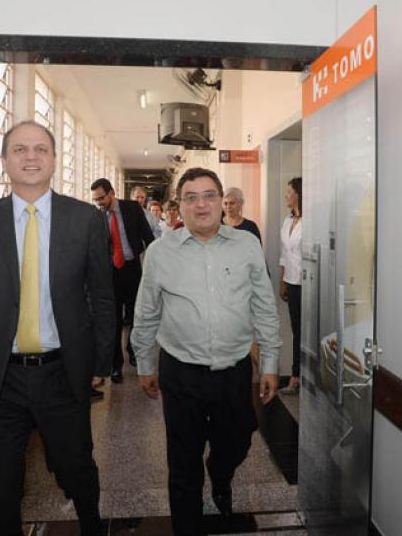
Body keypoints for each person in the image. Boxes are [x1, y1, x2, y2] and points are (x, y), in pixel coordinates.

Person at [0, 121, 115, 536]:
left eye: (41, 149)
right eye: (19, 149)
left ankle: (92, 526)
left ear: (55, 160)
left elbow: (103, 296)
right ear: (4, 161)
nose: (31, 156)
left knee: (78, 469)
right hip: (0, 383)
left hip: (63, 375)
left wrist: (101, 358)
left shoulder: (85, 220)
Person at [131, 167, 282, 536]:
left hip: (233, 372)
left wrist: (271, 362)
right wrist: (145, 365)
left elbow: (264, 305)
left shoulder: (246, 244)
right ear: (178, 206)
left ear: (221, 201)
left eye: (209, 195)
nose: (201, 205)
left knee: (237, 442)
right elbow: (146, 312)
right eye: (191, 197)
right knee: (183, 463)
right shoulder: (160, 252)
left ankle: (221, 472)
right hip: (180, 374)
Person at [91, 178, 155, 382]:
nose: (99, 202)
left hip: (133, 268)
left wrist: (153, 267)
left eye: (101, 198)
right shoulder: (98, 217)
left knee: (136, 315)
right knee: (114, 320)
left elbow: (148, 238)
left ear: (112, 192)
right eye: (96, 199)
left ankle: (133, 351)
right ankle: (116, 365)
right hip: (111, 273)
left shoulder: (132, 208)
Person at [279, 177, 303, 395]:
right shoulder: (288, 221)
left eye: (289, 191)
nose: (286, 195)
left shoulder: (310, 221)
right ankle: (296, 377)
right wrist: (282, 281)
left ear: (298, 194)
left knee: (309, 332)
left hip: (308, 284)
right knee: (297, 331)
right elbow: (284, 255)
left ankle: (309, 378)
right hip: (292, 283)